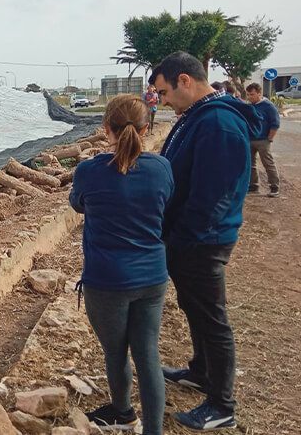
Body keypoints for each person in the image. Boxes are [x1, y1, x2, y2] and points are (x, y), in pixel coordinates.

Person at [149, 51, 261, 431]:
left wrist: (180, 239)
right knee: (194, 307)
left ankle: (222, 404)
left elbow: (215, 195)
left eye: (164, 92)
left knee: (212, 317)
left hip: (202, 239)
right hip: (189, 237)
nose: (162, 102)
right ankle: (201, 371)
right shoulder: (198, 116)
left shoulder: (219, 123)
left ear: (184, 80)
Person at [69, 94, 174, 435]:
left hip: (107, 280)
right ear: (146, 128)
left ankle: (122, 411)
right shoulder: (161, 168)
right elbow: (165, 204)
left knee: (115, 353)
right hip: (153, 277)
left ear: (105, 129)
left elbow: (78, 205)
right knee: (148, 356)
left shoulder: (88, 171)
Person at [245, 82, 281, 196]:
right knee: (251, 164)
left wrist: (269, 139)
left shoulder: (269, 106)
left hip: (263, 140)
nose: (250, 97)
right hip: (251, 139)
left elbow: (275, 124)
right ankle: (253, 186)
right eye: (248, 95)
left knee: (268, 164)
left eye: (252, 94)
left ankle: (274, 187)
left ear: (259, 93)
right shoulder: (251, 106)